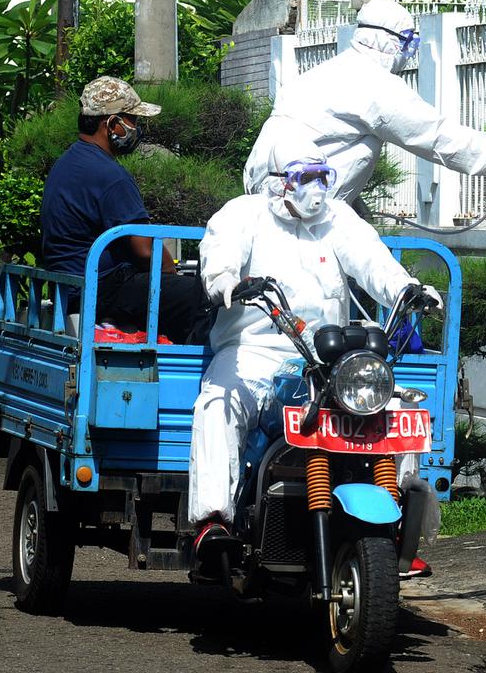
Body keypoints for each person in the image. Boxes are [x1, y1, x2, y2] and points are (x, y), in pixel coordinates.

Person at [189, 138, 441, 560]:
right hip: (253, 350)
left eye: (323, 177)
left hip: (327, 357)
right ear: (276, 183)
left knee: (396, 409)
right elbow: (221, 254)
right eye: (304, 178)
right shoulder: (242, 215)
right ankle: (213, 522)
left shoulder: (337, 218)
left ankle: (396, 527)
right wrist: (226, 281)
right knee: (217, 403)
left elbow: (373, 261)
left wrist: (407, 289)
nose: (316, 188)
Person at [241, 0, 486, 205]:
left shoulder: (323, 73)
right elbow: (433, 135)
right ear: (391, 41)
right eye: (410, 43)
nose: (410, 53)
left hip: (264, 185)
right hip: (299, 198)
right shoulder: (374, 84)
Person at [40, 76, 210, 344]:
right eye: (133, 120)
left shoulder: (66, 163)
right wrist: (170, 274)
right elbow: (145, 250)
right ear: (112, 124)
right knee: (204, 297)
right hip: (105, 289)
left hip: (72, 287)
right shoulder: (110, 175)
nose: (137, 128)